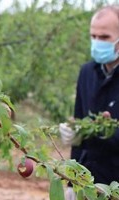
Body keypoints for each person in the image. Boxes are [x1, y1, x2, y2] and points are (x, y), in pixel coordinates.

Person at [59, 5, 119, 200]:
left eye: (104, 37)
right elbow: (79, 118)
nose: (97, 43)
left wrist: (97, 133)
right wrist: (71, 182)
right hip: (90, 182)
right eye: (93, 36)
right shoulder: (87, 73)